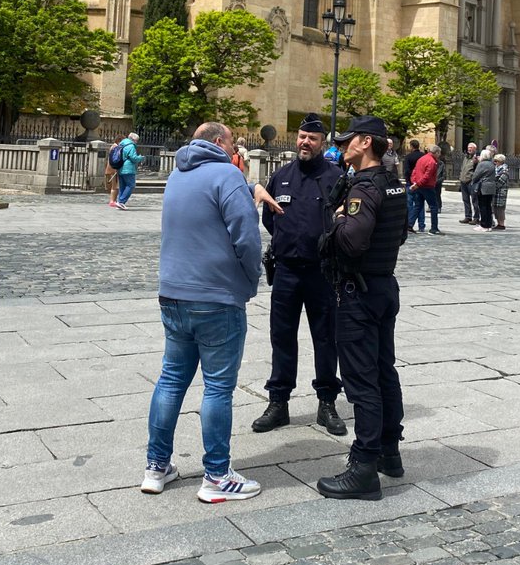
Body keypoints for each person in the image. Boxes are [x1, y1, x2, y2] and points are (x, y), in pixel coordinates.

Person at [142, 121, 263, 502]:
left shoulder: (178, 174)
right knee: (218, 387)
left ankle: (156, 466)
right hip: (216, 296)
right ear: (218, 142)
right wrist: (251, 277)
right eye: (232, 142)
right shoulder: (226, 174)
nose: (236, 149)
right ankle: (216, 475)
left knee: (171, 379)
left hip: (173, 293)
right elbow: (246, 232)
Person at [316, 115, 407, 501]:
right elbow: (400, 233)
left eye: (349, 140)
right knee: (385, 370)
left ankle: (364, 466)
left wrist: (336, 222)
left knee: (361, 380)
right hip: (384, 285)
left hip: (358, 293)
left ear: (366, 142)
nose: (343, 146)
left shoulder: (364, 188)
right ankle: (390, 450)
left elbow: (351, 242)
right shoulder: (393, 185)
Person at [252, 114, 347, 437]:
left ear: (323, 144)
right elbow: (270, 219)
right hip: (287, 272)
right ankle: (278, 402)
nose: (305, 142)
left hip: (321, 273)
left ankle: (327, 402)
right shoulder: (281, 176)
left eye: (312, 139)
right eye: (302, 137)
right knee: (282, 337)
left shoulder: (335, 176)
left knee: (325, 338)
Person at [408, 144, 442, 235]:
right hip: (427, 186)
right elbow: (427, 176)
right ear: (436, 152)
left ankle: (409, 225)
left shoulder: (421, 159)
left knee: (418, 206)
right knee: (434, 207)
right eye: (439, 153)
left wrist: (414, 182)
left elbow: (414, 171)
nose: (439, 155)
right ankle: (434, 228)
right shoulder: (432, 162)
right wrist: (418, 184)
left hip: (419, 186)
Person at [110, 132, 145, 209]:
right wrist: (140, 158)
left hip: (120, 167)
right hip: (128, 169)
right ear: (133, 139)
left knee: (122, 186)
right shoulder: (130, 146)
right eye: (136, 140)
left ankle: (119, 202)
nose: (136, 142)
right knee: (131, 185)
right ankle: (121, 202)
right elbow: (133, 158)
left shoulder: (121, 144)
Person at [470, 148, 496, 231]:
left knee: (482, 206)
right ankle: (489, 225)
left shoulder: (482, 164)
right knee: (488, 206)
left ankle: (484, 225)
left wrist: (473, 181)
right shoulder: (492, 164)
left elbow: (476, 175)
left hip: (483, 187)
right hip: (491, 187)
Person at [403, 138, 425, 233]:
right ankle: (421, 225)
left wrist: (409, 179)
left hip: (411, 183)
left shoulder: (408, 157)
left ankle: (409, 223)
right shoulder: (423, 156)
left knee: (410, 204)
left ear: (411, 146)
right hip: (420, 183)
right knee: (420, 204)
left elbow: (407, 171)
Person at [458, 142, 479, 224]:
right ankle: (468, 216)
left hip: (471, 182)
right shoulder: (466, 157)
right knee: (465, 200)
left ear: (475, 149)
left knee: (475, 200)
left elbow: (476, 171)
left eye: (471, 148)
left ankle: (476, 217)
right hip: (463, 181)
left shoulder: (476, 158)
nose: (469, 149)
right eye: (468, 147)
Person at [493, 154, 510, 229]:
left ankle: (501, 224)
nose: (495, 162)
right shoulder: (496, 168)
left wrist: (494, 187)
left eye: (496, 161)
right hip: (495, 191)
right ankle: (498, 223)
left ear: (500, 161)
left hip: (501, 191)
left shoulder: (504, 170)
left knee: (500, 208)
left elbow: (501, 181)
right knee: (496, 207)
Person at [105, 136, 122, 202]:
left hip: (110, 168)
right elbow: (116, 159)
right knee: (114, 187)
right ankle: (113, 201)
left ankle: (113, 200)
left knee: (113, 186)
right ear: (119, 141)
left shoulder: (113, 147)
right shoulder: (116, 147)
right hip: (113, 169)